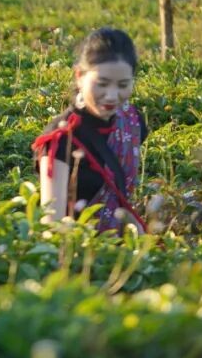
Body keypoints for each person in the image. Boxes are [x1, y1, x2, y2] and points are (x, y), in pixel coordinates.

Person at [33, 28, 149, 233]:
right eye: (102, 84)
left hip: (124, 250)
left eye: (123, 85)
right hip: (79, 253)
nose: (112, 96)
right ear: (79, 76)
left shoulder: (132, 122)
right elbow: (52, 225)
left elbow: (121, 197)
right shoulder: (61, 139)